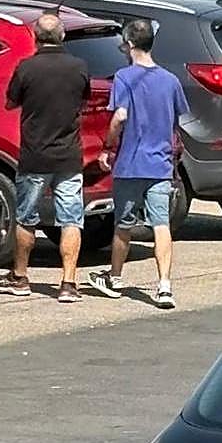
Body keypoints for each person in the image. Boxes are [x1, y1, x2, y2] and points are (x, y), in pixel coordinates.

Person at [88, 19, 188, 309]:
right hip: (160, 165)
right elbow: (176, 120)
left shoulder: (124, 77)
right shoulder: (170, 80)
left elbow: (120, 116)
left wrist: (108, 147)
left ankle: (115, 277)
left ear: (129, 44)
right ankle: (164, 286)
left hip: (131, 164)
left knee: (123, 224)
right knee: (161, 224)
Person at [0, 11, 89, 302]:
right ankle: (69, 282)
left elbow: (10, 102)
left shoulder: (27, 68)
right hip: (69, 156)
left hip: (35, 156)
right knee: (71, 219)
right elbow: (83, 100)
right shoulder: (79, 66)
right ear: (62, 36)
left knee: (26, 217)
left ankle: (20, 276)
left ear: (35, 37)